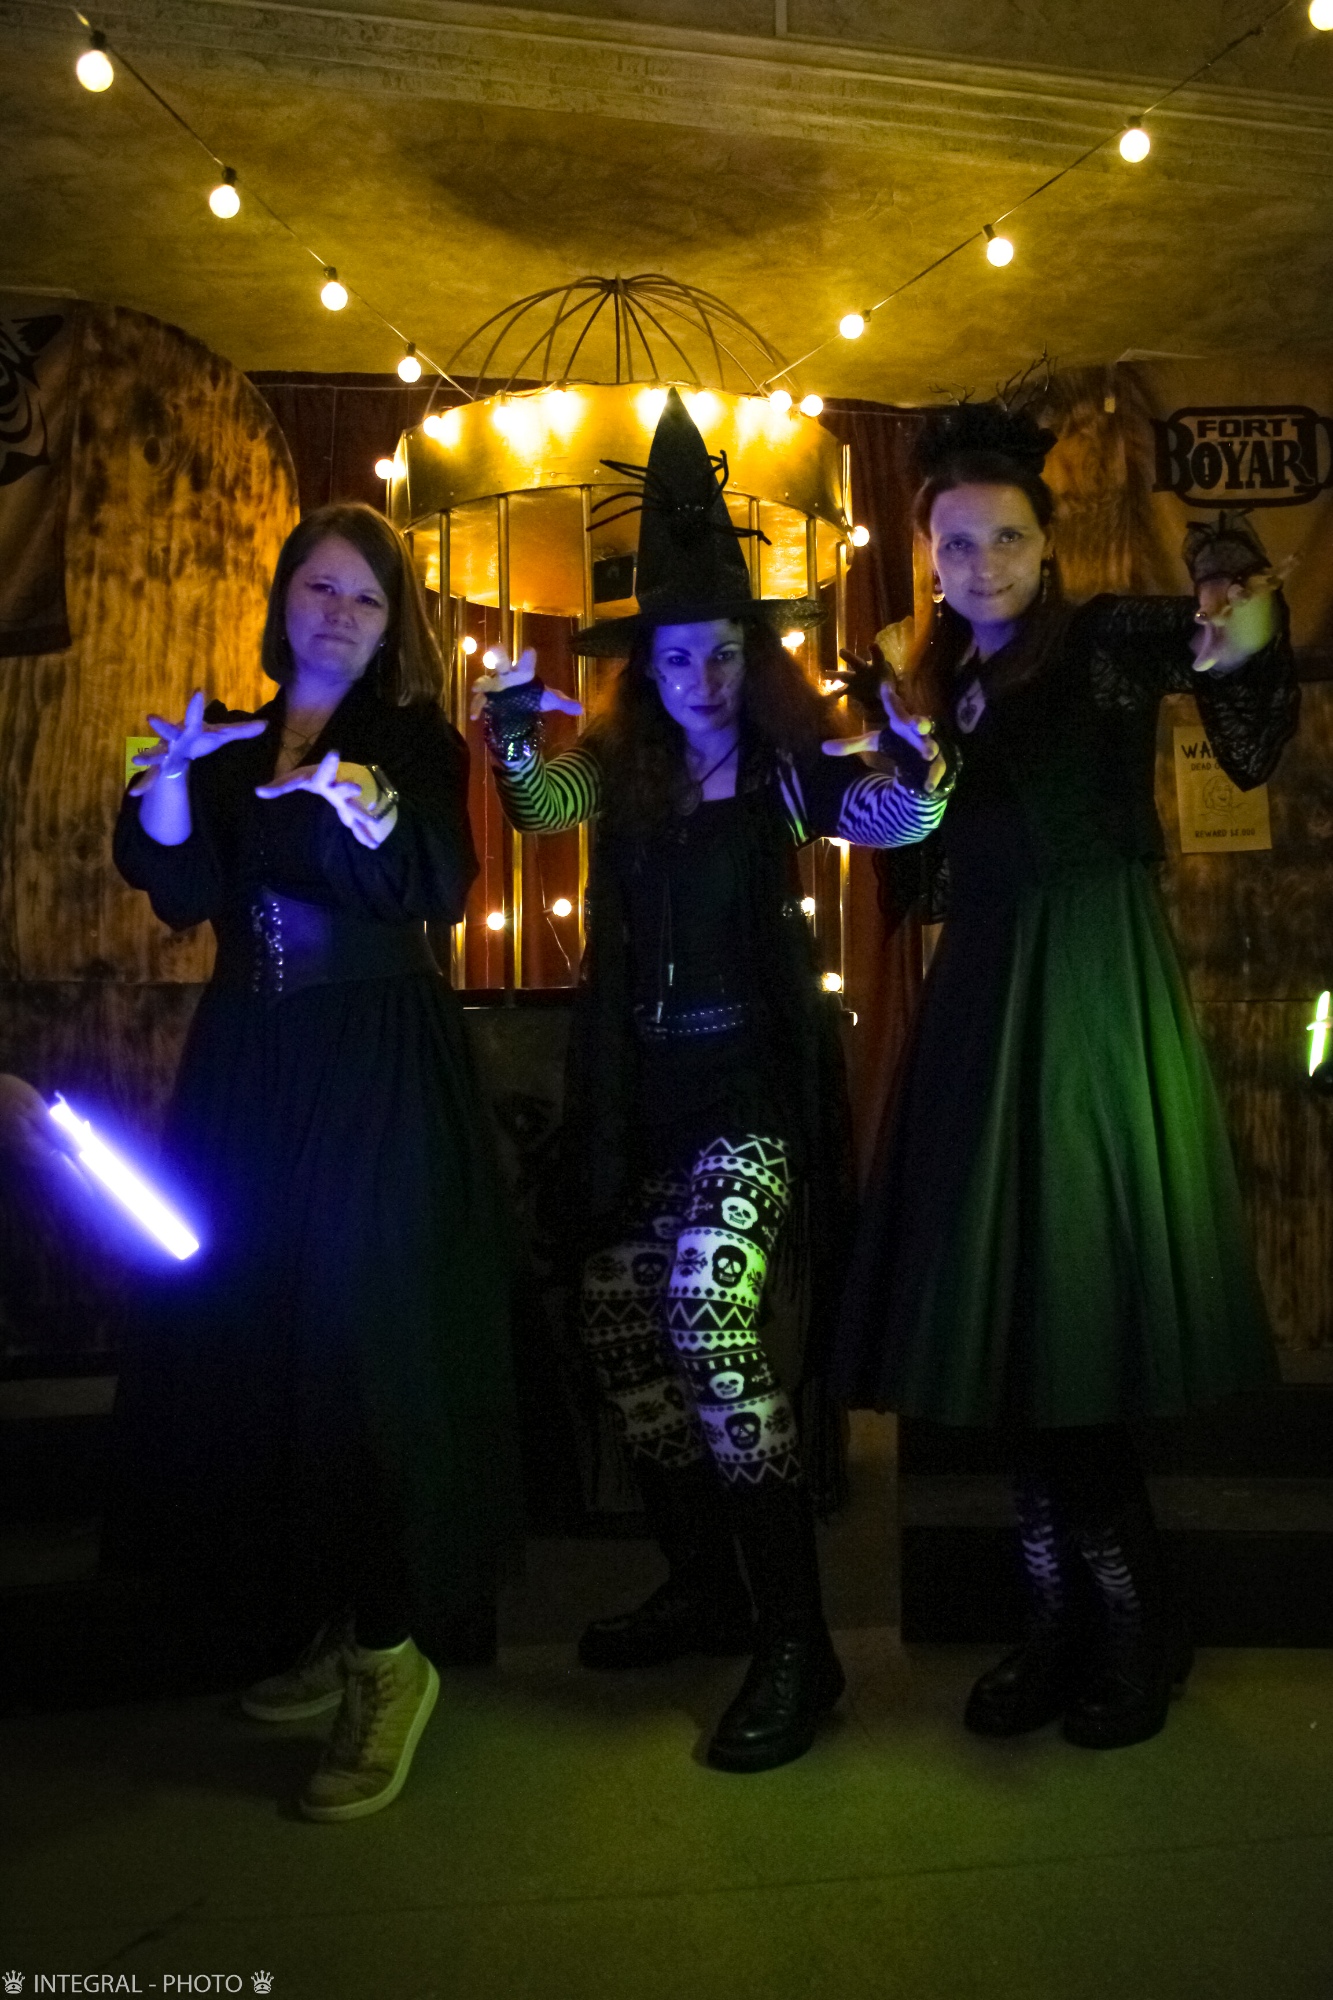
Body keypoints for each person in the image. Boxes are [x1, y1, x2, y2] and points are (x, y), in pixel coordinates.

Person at [472, 388, 950, 1772]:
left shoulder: (788, 776)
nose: (699, 679)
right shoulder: (615, 777)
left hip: (747, 1102)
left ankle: (798, 1641)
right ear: (648, 668)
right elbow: (535, 806)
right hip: (638, 1103)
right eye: (677, 657)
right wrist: (510, 733)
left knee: (707, 1320)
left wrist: (922, 767)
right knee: (621, 1327)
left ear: (753, 659)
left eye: (723, 655)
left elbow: (894, 813)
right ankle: (702, 1587)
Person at [834, 403, 1300, 1750]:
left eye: (1007, 539)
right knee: (1019, 1340)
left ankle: (1137, 1629)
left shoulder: (1102, 641)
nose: (981, 563)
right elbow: (917, 863)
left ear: (1046, 548)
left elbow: (1239, 694)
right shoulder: (935, 684)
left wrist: (1231, 588)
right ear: (928, 557)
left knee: (1073, 1322)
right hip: (984, 1005)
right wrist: (895, 782)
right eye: (957, 543)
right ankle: (1054, 1627)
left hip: (1089, 996)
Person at [111, 502, 521, 1822]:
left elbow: (437, 884)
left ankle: (392, 1659)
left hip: (376, 1069)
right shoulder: (231, 741)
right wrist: (172, 781)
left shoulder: (410, 741)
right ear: (284, 598)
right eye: (320, 588)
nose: (338, 614)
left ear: (391, 624)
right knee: (261, 1337)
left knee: (367, 1350)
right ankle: (332, 1622)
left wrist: (369, 814)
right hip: (249, 1068)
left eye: (365, 597)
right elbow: (183, 889)